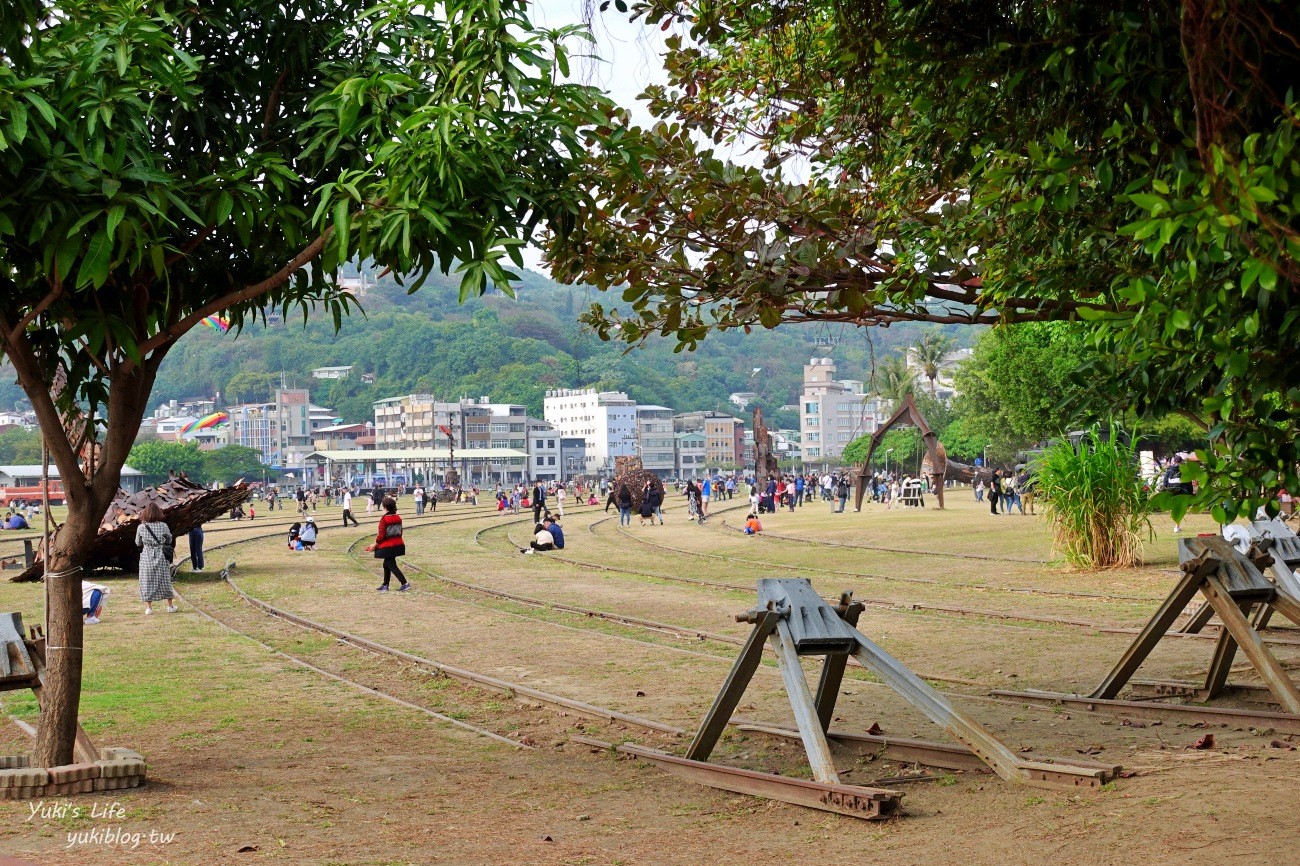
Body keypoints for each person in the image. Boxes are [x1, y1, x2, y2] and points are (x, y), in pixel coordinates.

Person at [135, 502, 176, 615]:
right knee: (164, 579)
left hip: (147, 556)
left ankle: (149, 608)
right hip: (161, 555)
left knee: (146, 580)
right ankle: (170, 606)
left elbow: (137, 543)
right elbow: (169, 540)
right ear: (158, 512)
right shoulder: (163, 526)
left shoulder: (141, 527)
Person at [366, 497, 410, 591]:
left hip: (388, 546)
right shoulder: (398, 517)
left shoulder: (384, 519)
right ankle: (385, 585)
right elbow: (400, 532)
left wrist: (375, 545)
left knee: (391, 564)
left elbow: (381, 536)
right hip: (398, 544)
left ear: (385, 507)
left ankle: (404, 583)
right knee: (387, 564)